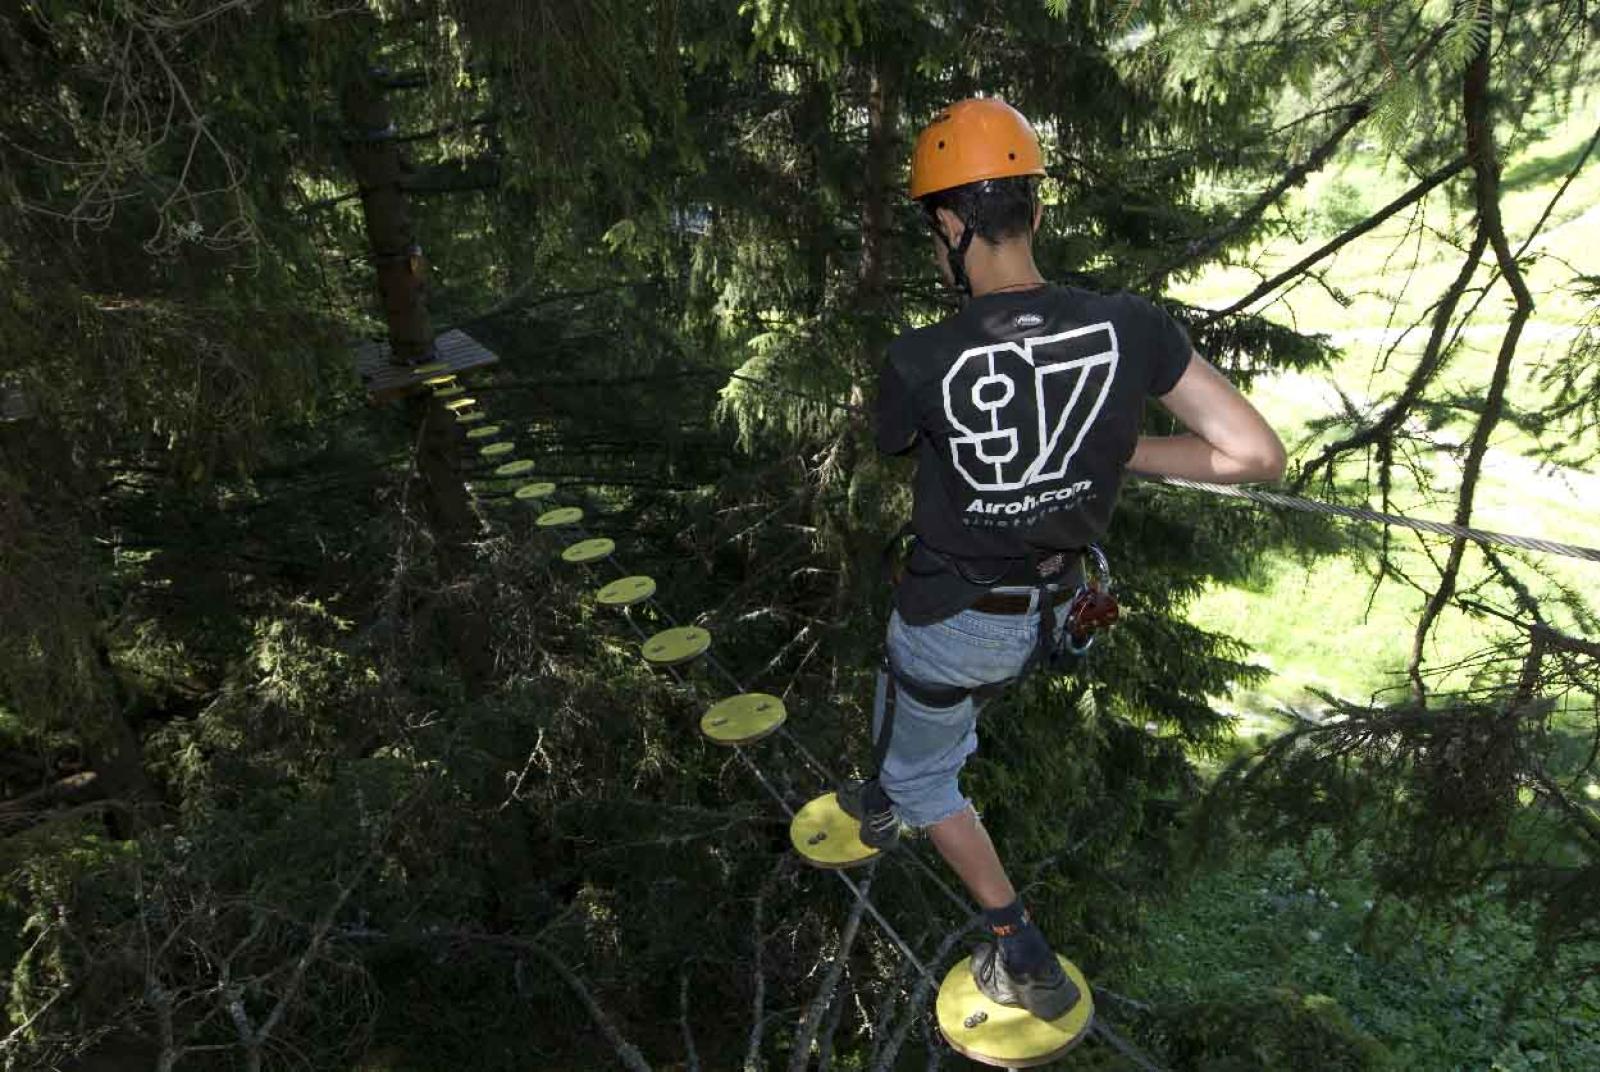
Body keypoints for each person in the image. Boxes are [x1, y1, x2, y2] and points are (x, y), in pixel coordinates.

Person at [841, 97, 1287, 1020]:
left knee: (924, 758)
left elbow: (898, 440)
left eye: (937, 232)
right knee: (911, 710)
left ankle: (1019, 945)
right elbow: (1252, 455)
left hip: (955, 618)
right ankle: (886, 783)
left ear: (953, 225)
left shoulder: (918, 357)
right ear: (1035, 214)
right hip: (1053, 612)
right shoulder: (1130, 324)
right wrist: (1116, 448)